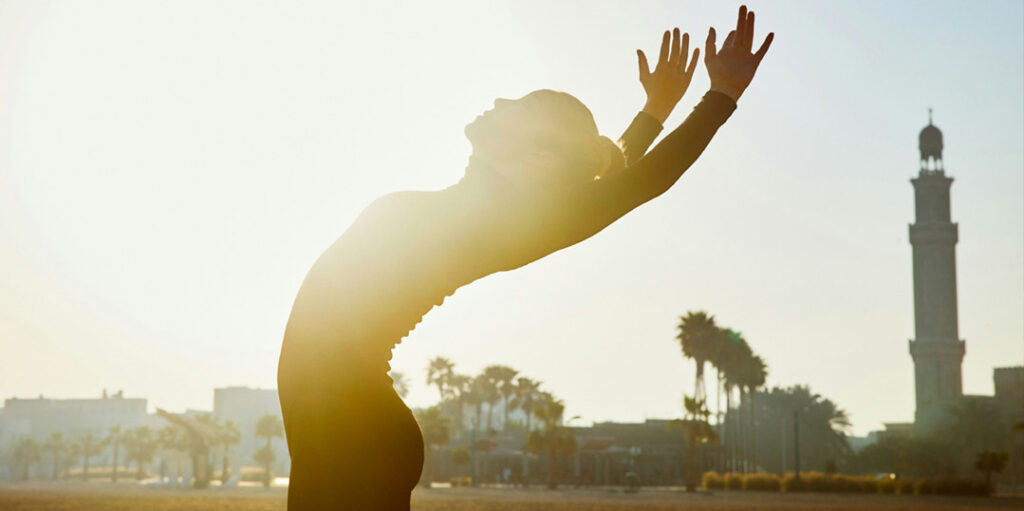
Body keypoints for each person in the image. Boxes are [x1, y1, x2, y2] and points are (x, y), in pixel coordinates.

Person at [278, 6, 773, 510]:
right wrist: (654, 112)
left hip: (351, 434)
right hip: (339, 429)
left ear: (541, 157)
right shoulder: (475, 209)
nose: (500, 100)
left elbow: (636, 186)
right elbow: (605, 176)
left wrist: (721, 96)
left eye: (522, 104)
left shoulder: (504, 227)